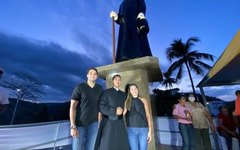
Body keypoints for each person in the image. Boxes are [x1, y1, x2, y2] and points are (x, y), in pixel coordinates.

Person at [69, 68, 103, 150]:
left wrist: (99, 122)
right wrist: (73, 126)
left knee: (91, 148)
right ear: (87, 75)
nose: (92, 75)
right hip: (79, 124)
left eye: (95, 74)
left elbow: (100, 107)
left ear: (97, 76)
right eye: (90, 73)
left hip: (94, 124)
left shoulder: (100, 89)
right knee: (77, 148)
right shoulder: (79, 87)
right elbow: (72, 107)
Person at [94, 74, 129, 150]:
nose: (118, 81)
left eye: (119, 80)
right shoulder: (105, 92)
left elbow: (127, 107)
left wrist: (125, 110)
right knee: (107, 145)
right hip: (108, 123)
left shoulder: (124, 95)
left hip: (120, 123)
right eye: (116, 79)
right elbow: (100, 107)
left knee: (121, 145)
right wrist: (114, 111)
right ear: (113, 81)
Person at [124, 83, 152, 150]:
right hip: (131, 130)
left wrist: (150, 131)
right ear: (129, 91)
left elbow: (148, 115)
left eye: (135, 88)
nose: (134, 90)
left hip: (143, 129)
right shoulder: (127, 102)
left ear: (138, 89)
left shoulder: (144, 100)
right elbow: (122, 114)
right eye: (132, 89)